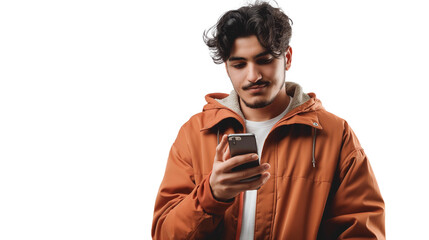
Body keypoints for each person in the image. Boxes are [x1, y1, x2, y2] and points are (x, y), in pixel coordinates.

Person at [152, 1, 385, 239]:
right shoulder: (196, 133)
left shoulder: (335, 134)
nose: (253, 76)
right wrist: (212, 196)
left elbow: (362, 230)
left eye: (264, 60)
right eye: (239, 64)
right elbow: (165, 233)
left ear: (287, 58)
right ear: (227, 68)